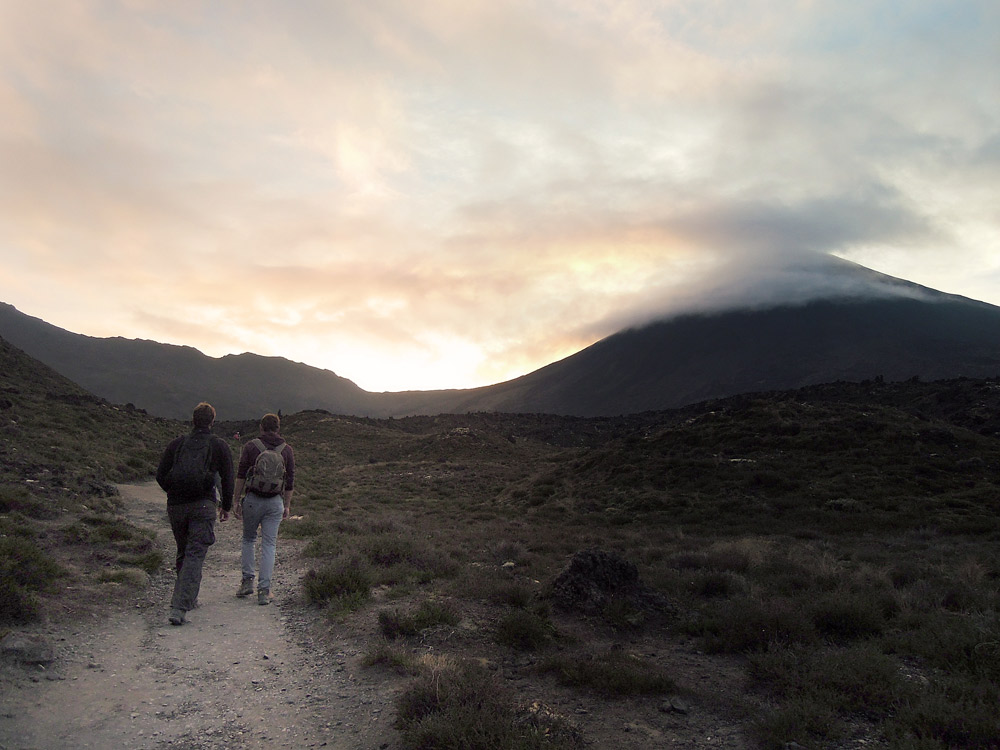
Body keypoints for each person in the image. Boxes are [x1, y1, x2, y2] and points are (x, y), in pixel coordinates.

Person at [156, 402, 235, 626]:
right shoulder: (219, 445)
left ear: (193, 420)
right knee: (195, 554)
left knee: (184, 550)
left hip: (176, 507)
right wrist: (226, 507)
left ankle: (187, 597)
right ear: (212, 421)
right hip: (203, 506)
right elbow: (228, 479)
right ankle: (180, 606)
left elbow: (160, 475)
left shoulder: (177, 444)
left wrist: (173, 492)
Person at [233, 412, 295, 606]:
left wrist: (235, 500)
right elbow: (290, 481)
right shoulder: (287, 450)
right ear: (278, 428)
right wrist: (287, 505)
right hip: (274, 502)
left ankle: (247, 582)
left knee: (249, 539)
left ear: (261, 427)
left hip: (253, 500)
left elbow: (241, 474)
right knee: (269, 544)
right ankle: (264, 590)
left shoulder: (251, 446)